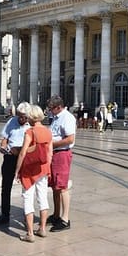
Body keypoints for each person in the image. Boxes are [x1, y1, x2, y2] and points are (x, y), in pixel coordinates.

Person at [14, 103, 53, 241]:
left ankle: (30, 233)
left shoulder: (30, 132)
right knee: (42, 198)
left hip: (30, 170)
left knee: (28, 198)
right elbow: (50, 153)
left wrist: (17, 170)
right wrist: (47, 168)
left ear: (31, 117)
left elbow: (23, 152)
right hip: (43, 168)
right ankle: (42, 228)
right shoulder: (48, 131)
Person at [0, 102, 31, 227]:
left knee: (27, 188)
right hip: (9, 158)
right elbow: (5, 138)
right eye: (19, 116)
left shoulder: (31, 125)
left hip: (25, 159)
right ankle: (5, 214)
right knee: (6, 187)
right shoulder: (12, 121)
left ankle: (27, 216)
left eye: (24, 117)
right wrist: (3, 147)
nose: (21, 119)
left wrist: (20, 150)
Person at [46, 95, 76, 232]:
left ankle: (65, 219)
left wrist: (52, 144)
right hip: (55, 154)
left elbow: (70, 139)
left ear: (59, 107)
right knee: (55, 186)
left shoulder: (67, 117)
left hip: (62, 154)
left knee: (62, 186)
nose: (50, 111)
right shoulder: (56, 118)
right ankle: (56, 214)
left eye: (51, 108)